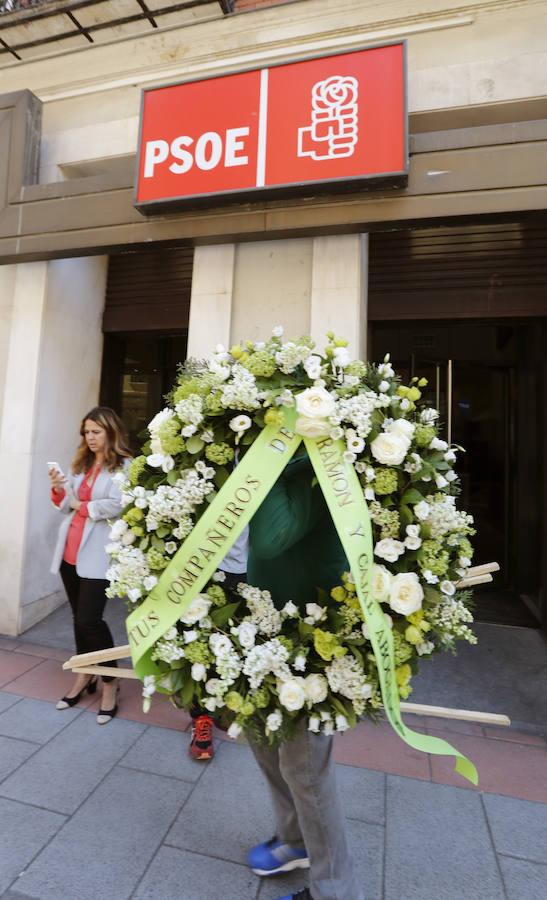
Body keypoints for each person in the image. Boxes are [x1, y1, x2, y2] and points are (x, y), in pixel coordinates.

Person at [245, 453, 363, 900]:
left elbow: (274, 536)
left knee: (305, 767)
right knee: (268, 748)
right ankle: (295, 841)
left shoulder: (319, 463)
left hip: (311, 641)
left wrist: (258, 459)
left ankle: (336, 891)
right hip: (261, 631)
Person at [49, 406, 131, 725]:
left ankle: (110, 682)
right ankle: (85, 674)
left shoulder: (126, 465)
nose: (90, 437)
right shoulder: (82, 462)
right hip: (70, 550)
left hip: (98, 554)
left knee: (90, 620)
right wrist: (59, 487)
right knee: (78, 619)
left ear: (111, 431)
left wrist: (80, 505)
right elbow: (64, 504)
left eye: (96, 431)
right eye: (86, 431)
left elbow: (121, 504)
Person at [189, 527, 248, 761]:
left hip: (250, 564)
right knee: (197, 646)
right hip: (201, 561)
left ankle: (228, 705)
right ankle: (200, 717)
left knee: (241, 642)